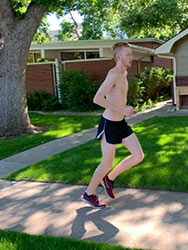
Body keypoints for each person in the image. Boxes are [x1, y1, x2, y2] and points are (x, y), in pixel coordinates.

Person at [81, 42, 144, 209]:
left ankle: (109, 179)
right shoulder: (114, 74)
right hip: (109, 124)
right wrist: (122, 109)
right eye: (128, 54)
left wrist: (122, 110)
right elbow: (98, 99)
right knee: (106, 163)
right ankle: (89, 194)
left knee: (138, 155)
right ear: (118, 57)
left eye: (131, 54)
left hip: (120, 123)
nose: (131, 57)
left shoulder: (123, 73)